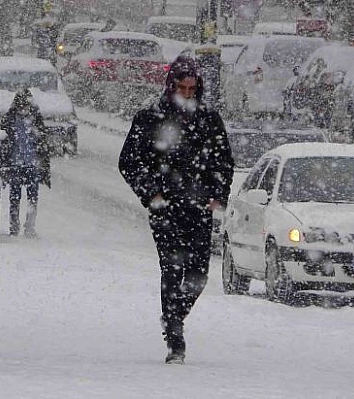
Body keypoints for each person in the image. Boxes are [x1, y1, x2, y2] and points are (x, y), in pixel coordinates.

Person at [118, 55, 234, 364]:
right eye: (181, 88)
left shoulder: (209, 119)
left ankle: (174, 317)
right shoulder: (150, 118)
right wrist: (152, 193)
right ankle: (175, 339)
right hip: (165, 208)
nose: (186, 94)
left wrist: (217, 195)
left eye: (191, 89)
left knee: (198, 273)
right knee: (172, 268)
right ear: (171, 87)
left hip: (198, 209)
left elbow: (224, 162)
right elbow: (129, 161)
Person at [0, 89, 51, 237]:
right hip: (16, 165)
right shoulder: (10, 120)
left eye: (26, 105)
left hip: (32, 165)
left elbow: (43, 144)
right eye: (20, 105)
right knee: (15, 197)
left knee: (32, 198)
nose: (23, 109)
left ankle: (30, 226)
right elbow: (3, 144)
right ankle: (14, 227)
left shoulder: (36, 121)